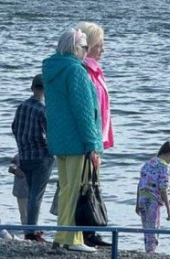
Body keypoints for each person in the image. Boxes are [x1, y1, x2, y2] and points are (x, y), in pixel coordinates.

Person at [43, 28, 103, 253]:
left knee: (66, 188)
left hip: (59, 139)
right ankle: (72, 238)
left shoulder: (52, 69)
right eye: (85, 47)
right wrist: (93, 144)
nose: (87, 51)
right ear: (75, 48)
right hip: (77, 141)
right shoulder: (76, 71)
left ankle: (62, 235)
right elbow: (84, 111)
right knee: (77, 189)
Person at [75, 22, 113, 247]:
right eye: (100, 45)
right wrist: (93, 142)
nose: (103, 49)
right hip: (90, 139)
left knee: (92, 184)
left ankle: (91, 229)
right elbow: (89, 109)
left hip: (96, 137)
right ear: (88, 46)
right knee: (86, 185)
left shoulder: (96, 71)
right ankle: (87, 231)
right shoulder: (86, 71)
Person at [11, 73, 54, 242]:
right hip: (40, 157)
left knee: (31, 194)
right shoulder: (43, 109)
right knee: (36, 195)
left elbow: (14, 128)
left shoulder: (21, 106)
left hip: (24, 156)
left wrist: (22, 146)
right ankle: (31, 231)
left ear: (32, 87)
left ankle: (29, 227)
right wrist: (51, 152)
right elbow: (50, 135)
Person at [135, 141, 170, 253]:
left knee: (146, 229)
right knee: (153, 228)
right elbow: (163, 189)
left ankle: (148, 251)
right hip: (152, 200)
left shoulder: (147, 164)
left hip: (142, 199)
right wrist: (169, 209)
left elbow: (140, 184)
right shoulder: (163, 166)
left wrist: (136, 204)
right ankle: (151, 252)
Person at [8, 154, 29, 225]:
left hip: (30, 189)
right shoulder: (18, 156)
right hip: (22, 189)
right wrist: (16, 171)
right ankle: (28, 232)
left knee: (28, 214)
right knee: (24, 214)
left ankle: (32, 232)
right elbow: (11, 168)